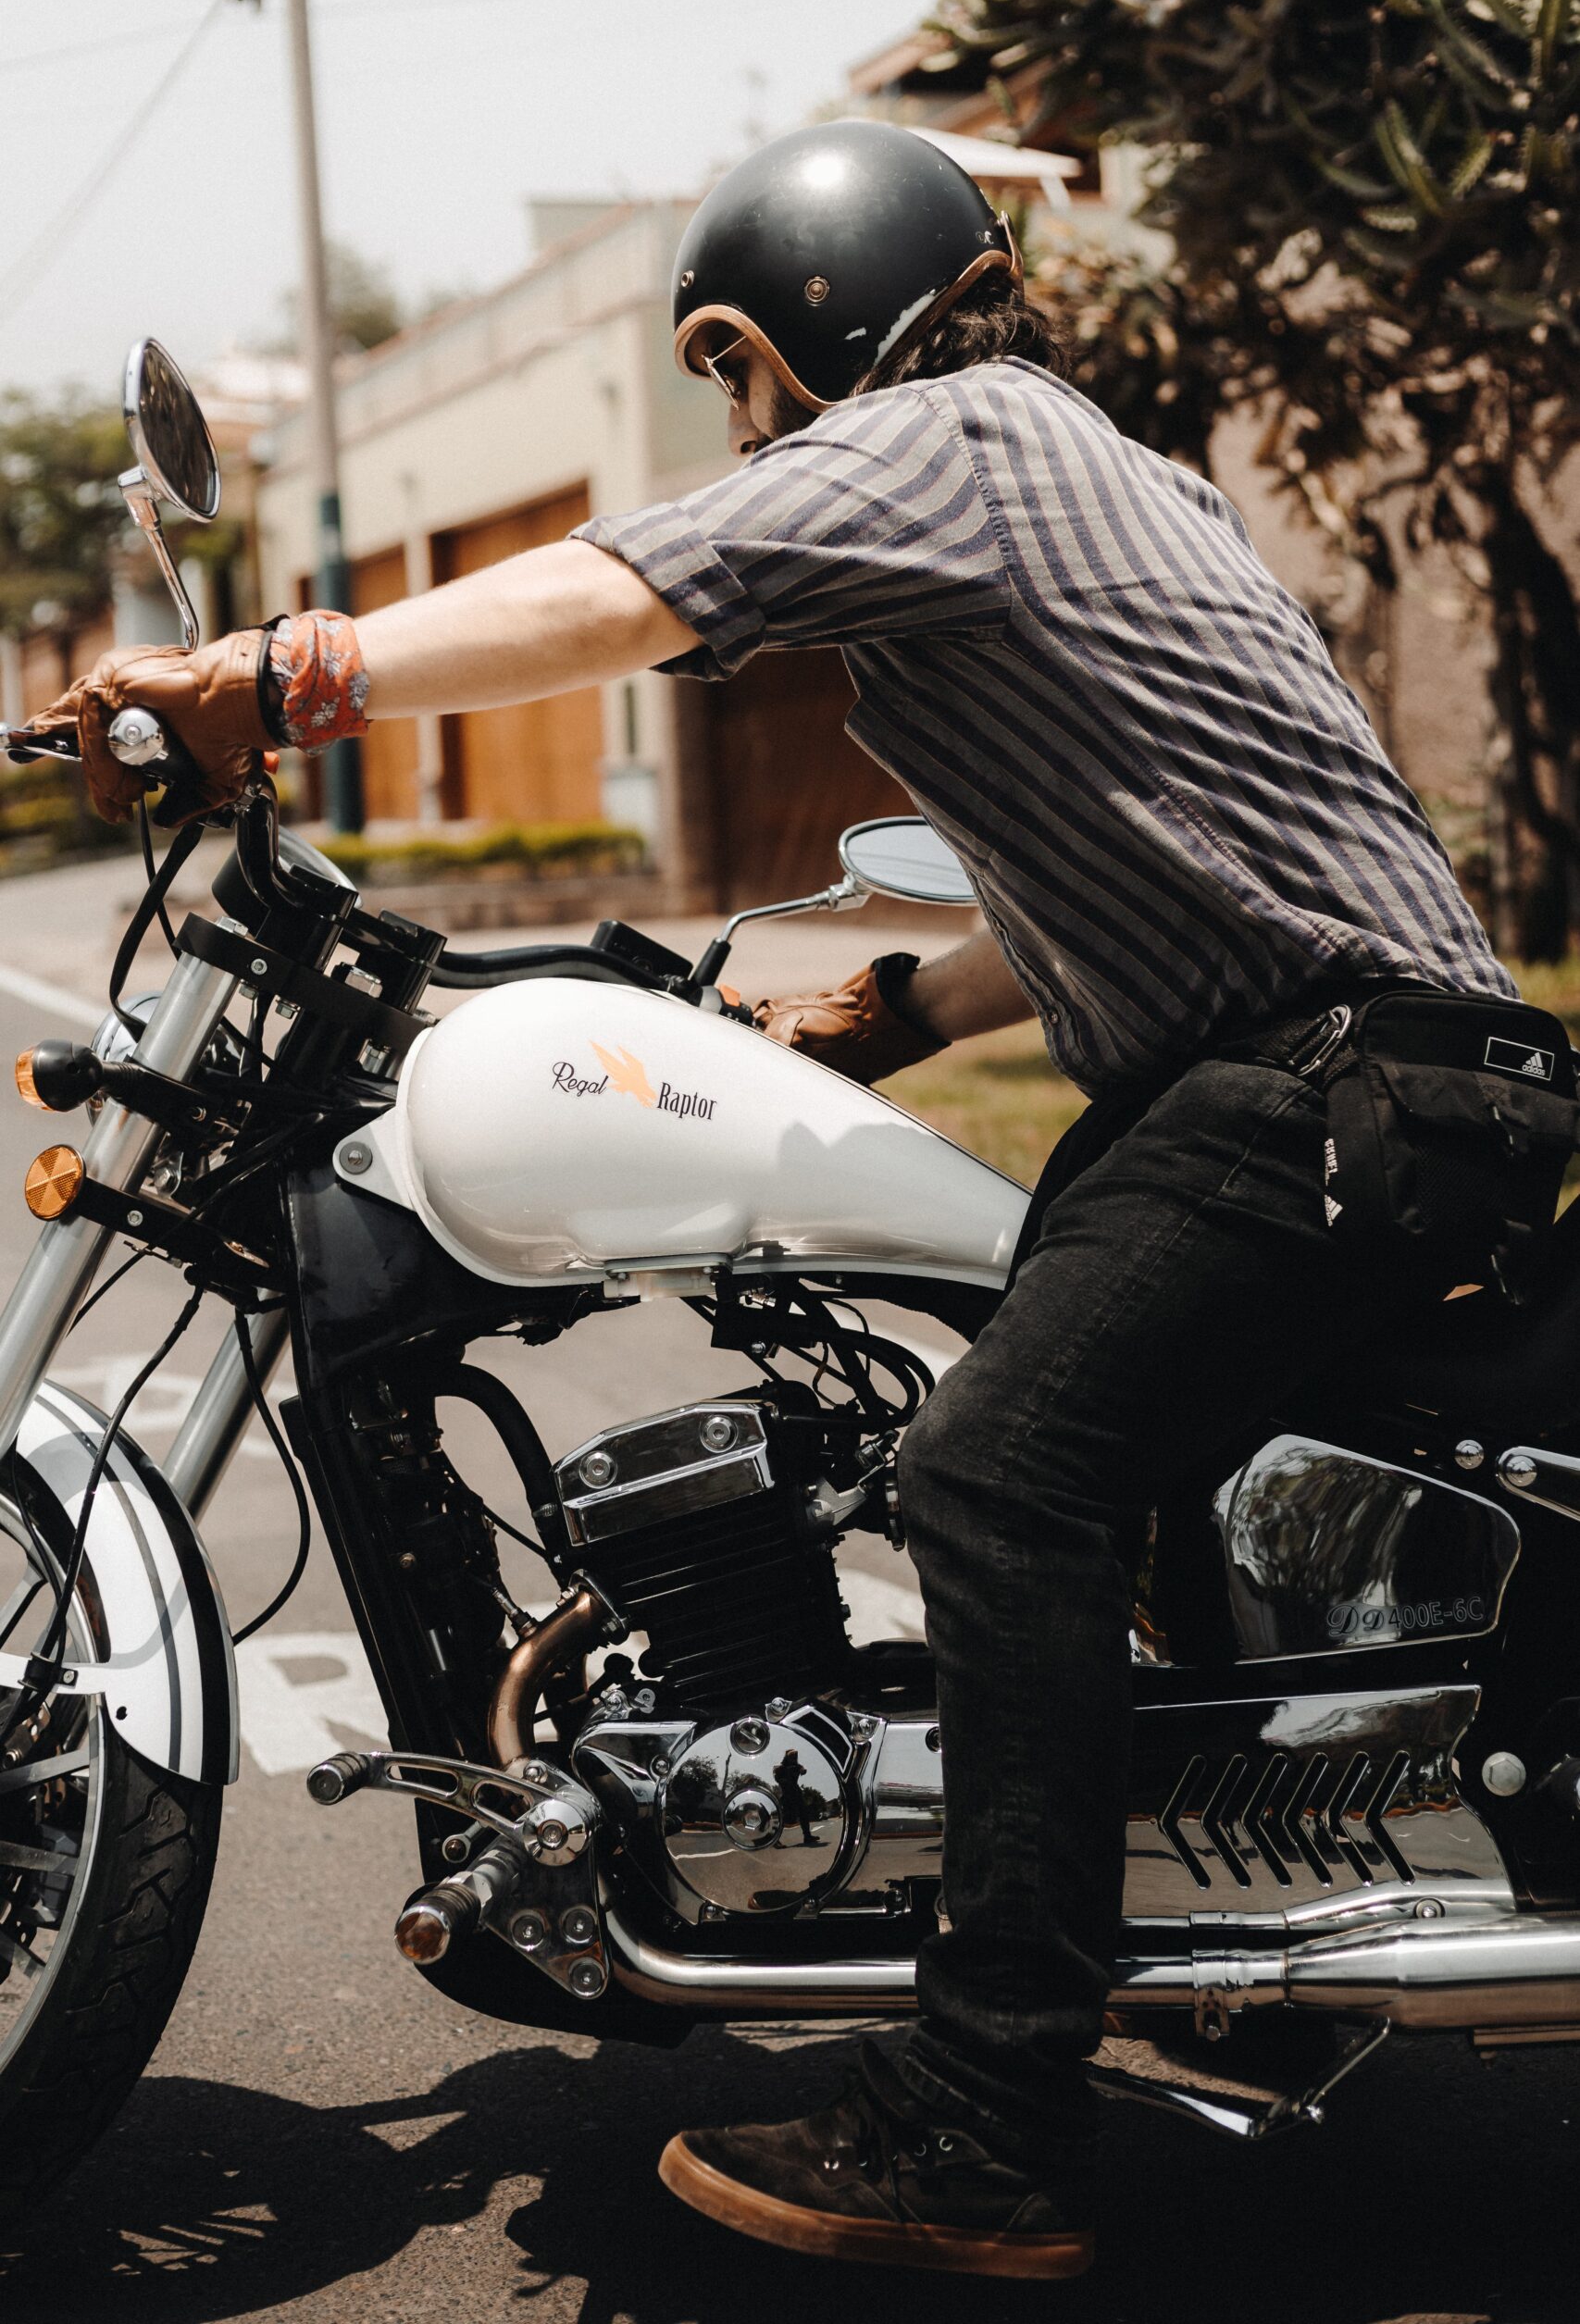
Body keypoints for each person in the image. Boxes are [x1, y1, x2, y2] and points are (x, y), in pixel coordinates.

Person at [30, 121, 1512, 2281]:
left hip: (1326, 1084)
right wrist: (888, 1010)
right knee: (1087, 1452)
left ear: (805, 319)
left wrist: (279, 674)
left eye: (728, 368)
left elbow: (622, 586)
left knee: (995, 1471)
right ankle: (1200, 1938)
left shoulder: (947, 435)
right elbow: (1157, 842)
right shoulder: (1083, 471)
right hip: (1346, 1075)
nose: (736, 422)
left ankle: (985, 2118)